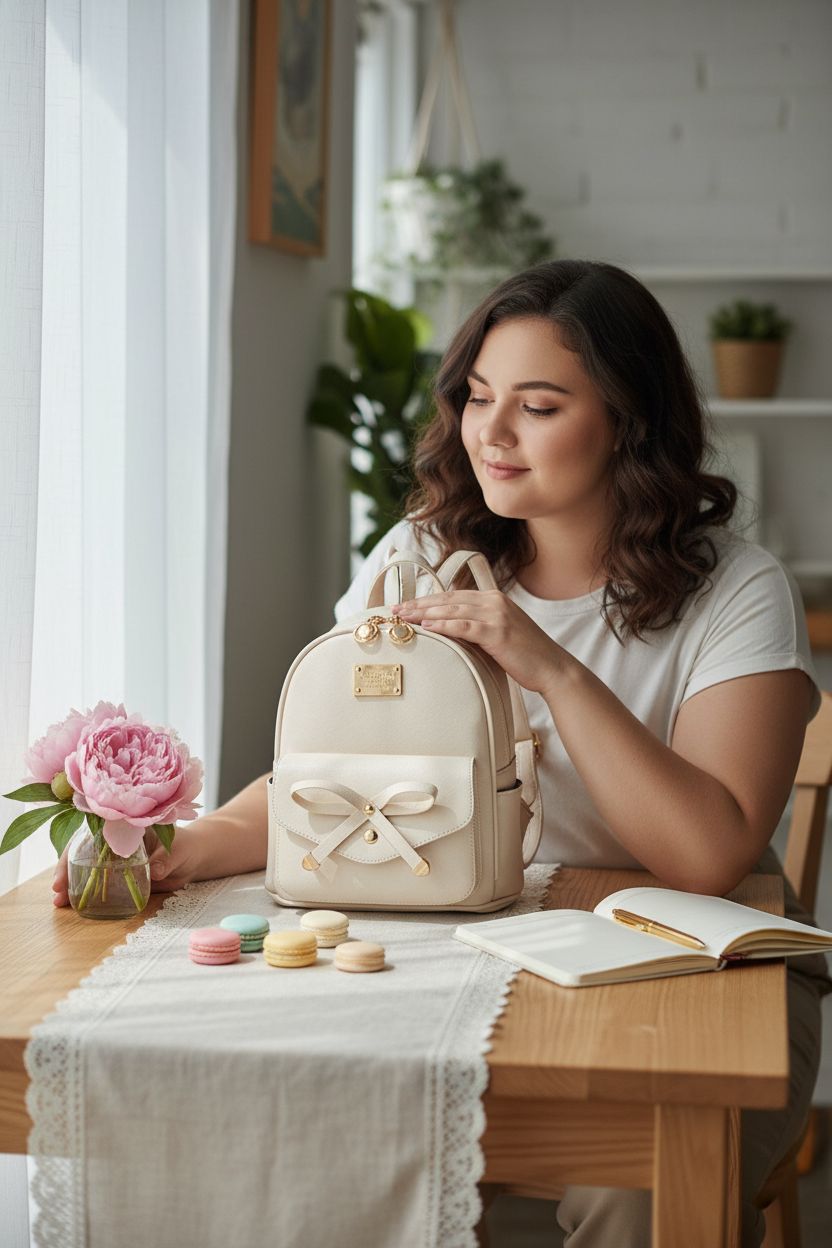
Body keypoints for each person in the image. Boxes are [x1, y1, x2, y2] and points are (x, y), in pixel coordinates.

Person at [53, 259, 828, 1246]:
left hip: (683, 973)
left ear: (628, 419)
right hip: (464, 935)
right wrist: (192, 848)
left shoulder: (735, 591)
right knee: (309, 1118)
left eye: (537, 406)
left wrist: (548, 666)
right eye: (476, 396)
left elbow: (707, 857)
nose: (490, 434)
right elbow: (331, 781)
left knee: (629, 1186)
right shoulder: (419, 554)